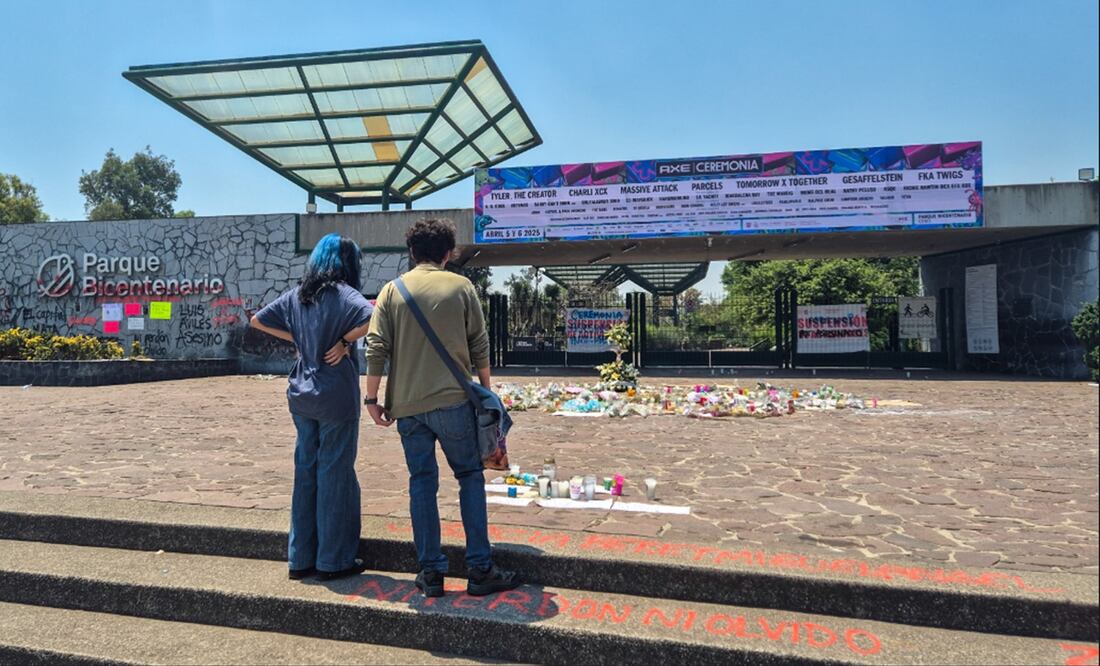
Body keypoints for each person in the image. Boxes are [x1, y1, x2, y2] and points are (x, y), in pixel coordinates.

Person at [365, 218, 521, 598]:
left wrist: (371, 399)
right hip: (454, 402)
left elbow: (376, 347)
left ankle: (431, 573)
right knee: (469, 477)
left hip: (407, 407)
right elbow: (479, 345)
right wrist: (487, 396)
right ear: (448, 253)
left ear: (412, 253)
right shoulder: (462, 287)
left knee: (422, 483)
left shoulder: (391, 291)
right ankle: (480, 569)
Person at [250, 233, 373, 581]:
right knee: (335, 474)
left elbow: (257, 320)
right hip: (335, 397)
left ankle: (300, 558)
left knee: (306, 474)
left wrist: (302, 341)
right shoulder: (345, 294)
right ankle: (334, 560)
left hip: (301, 396)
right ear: (348, 263)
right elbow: (377, 316)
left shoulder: (297, 295)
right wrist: (345, 340)